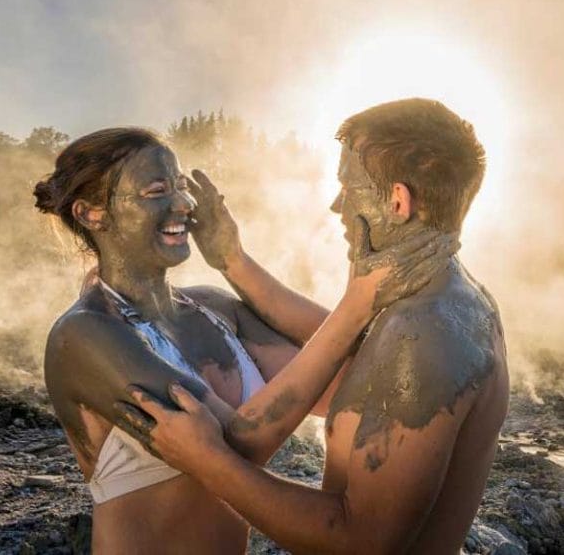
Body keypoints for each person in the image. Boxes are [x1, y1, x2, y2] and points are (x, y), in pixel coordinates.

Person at [118, 99, 511, 555]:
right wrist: (232, 260)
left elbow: (360, 541)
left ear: (397, 201)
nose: (336, 204)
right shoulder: (452, 295)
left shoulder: (422, 334)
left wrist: (210, 462)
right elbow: (343, 341)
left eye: (348, 186)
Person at [35, 127, 453, 554]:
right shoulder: (85, 335)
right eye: (156, 190)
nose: (183, 203)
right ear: (92, 214)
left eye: (181, 186)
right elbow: (234, 448)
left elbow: (359, 381)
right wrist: (356, 305)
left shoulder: (215, 309)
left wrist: (232, 260)